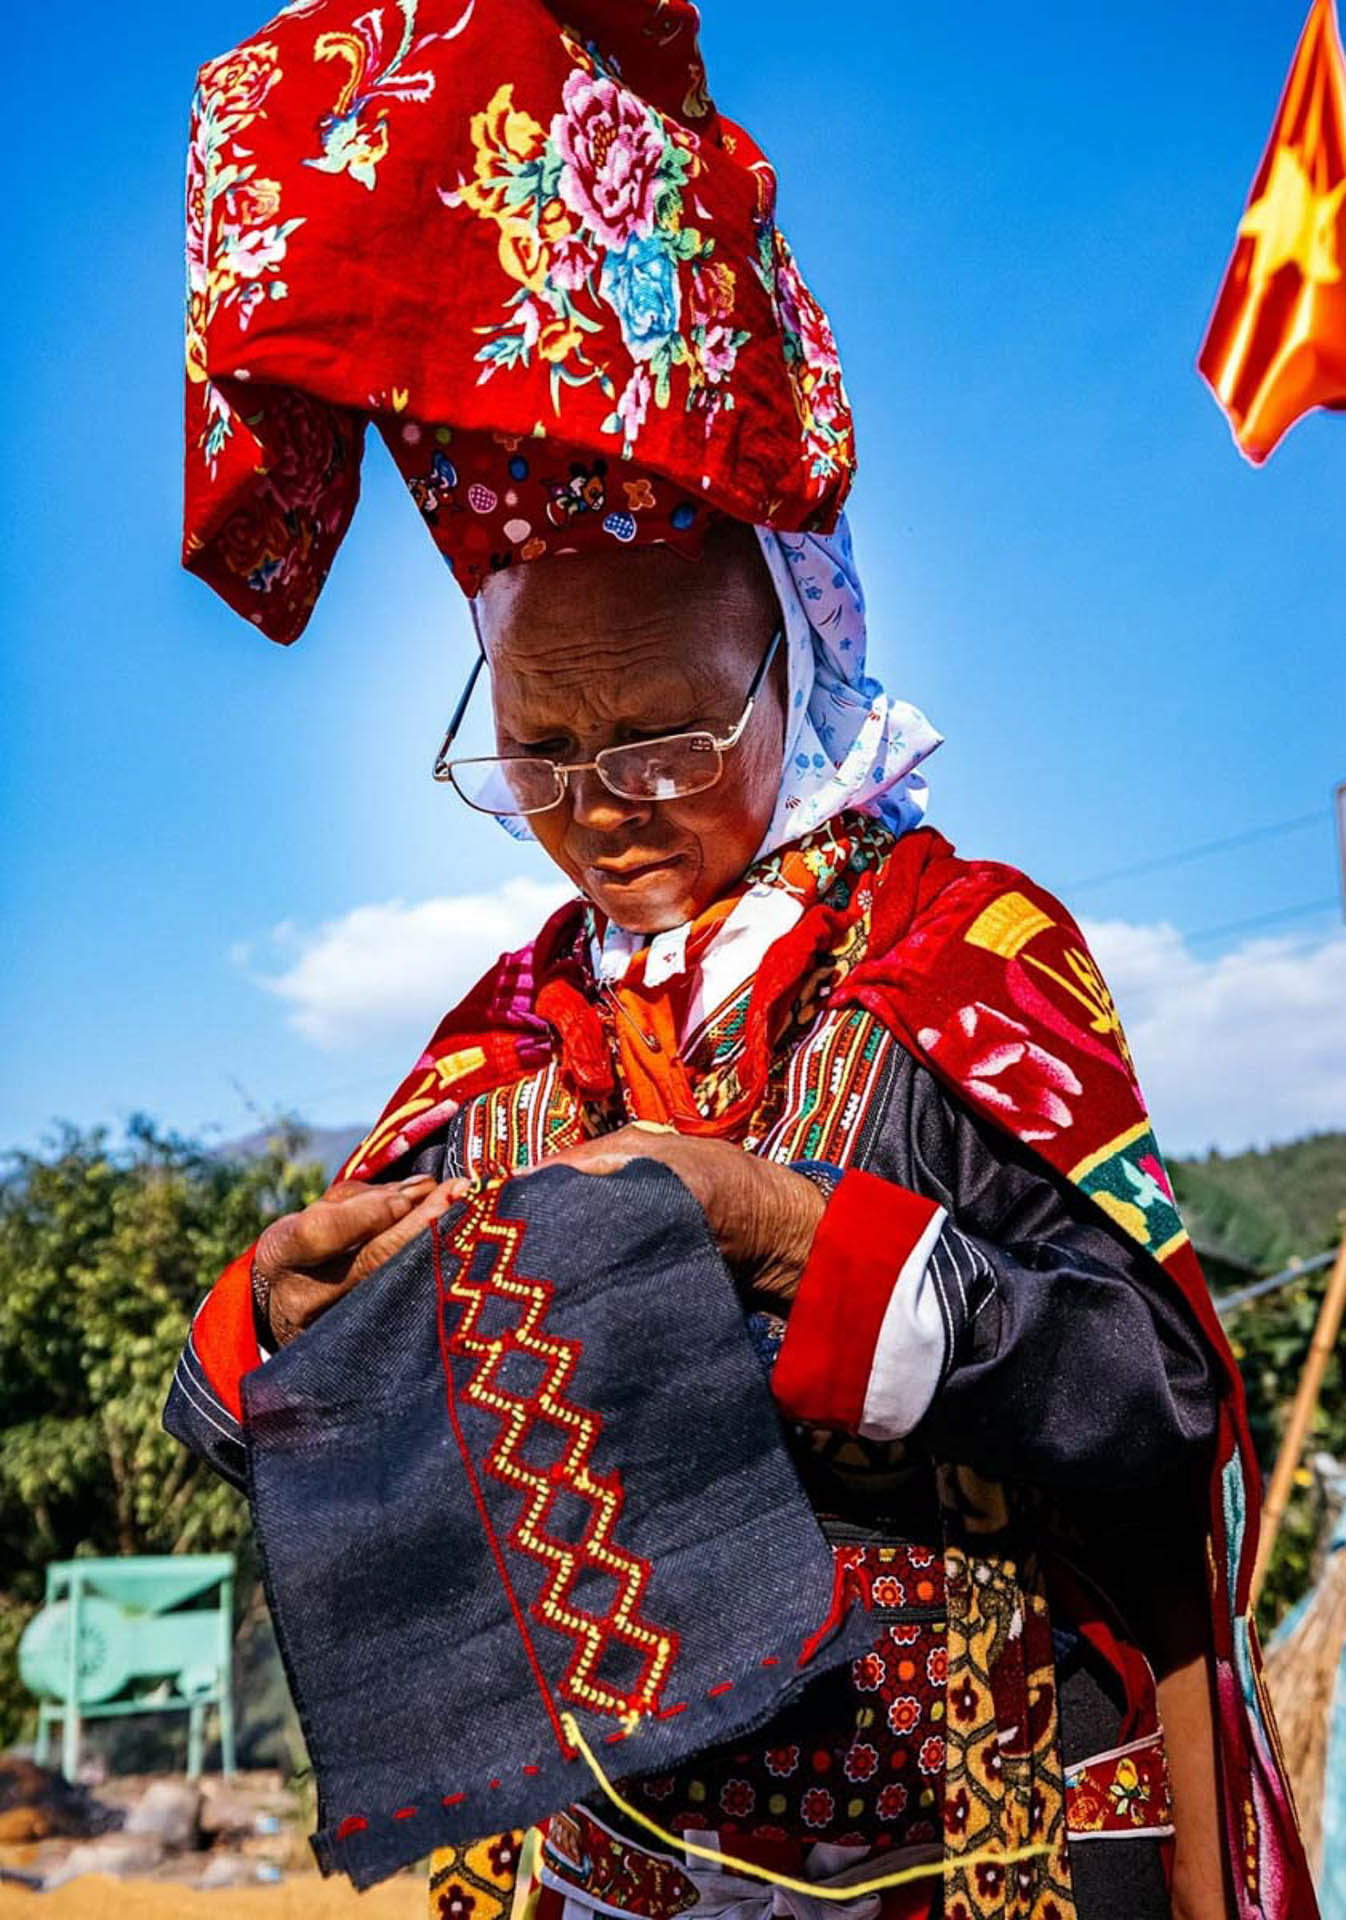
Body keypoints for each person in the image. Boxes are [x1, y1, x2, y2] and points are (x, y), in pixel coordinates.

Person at [166, 4, 1315, 1916]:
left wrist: (789, 1235)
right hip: (605, 1872)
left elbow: (1151, 1403)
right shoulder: (508, 1042)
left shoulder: (962, 958)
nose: (602, 804)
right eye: (538, 753)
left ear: (808, 669)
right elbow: (326, 1465)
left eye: (667, 736)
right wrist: (287, 1323)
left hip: (974, 1857)